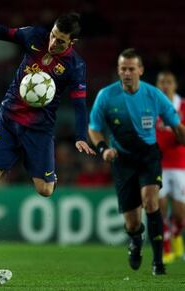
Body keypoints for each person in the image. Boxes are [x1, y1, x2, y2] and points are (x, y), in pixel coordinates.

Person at [0, 7, 95, 197]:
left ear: (72, 42)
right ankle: (13, 157)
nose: (53, 43)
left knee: (45, 191)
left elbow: (79, 105)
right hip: (9, 119)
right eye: (53, 35)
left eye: (61, 41)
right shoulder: (34, 35)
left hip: (39, 127)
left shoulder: (75, 66)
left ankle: (39, 168)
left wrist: (80, 136)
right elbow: (3, 32)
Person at [88, 48, 185, 275]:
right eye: (123, 68)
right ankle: (135, 240)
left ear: (140, 70)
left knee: (151, 202)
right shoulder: (106, 95)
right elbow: (94, 129)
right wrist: (103, 149)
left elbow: (176, 126)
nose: (127, 73)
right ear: (118, 70)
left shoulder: (154, 95)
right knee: (132, 223)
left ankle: (158, 262)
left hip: (149, 156)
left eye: (131, 68)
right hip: (122, 160)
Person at [155, 71, 185, 263]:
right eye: (162, 82)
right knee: (159, 207)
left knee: (180, 213)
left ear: (175, 85)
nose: (165, 85)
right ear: (157, 86)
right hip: (157, 164)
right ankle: (166, 245)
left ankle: (176, 235)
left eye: (169, 82)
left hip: (180, 165)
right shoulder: (152, 106)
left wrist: (176, 127)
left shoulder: (183, 107)